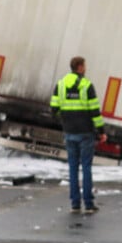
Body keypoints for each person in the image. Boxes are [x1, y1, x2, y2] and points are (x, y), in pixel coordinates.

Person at [50, 56, 105, 214]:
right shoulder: (87, 86)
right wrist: (101, 131)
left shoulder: (60, 85)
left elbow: (53, 109)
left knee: (73, 168)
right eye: (84, 66)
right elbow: (95, 111)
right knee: (86, 167)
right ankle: (88, 204)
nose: (85, 68)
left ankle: (75, 204)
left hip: (69, 132)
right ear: (80, 67)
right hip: (85, 132)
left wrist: (66, 119)